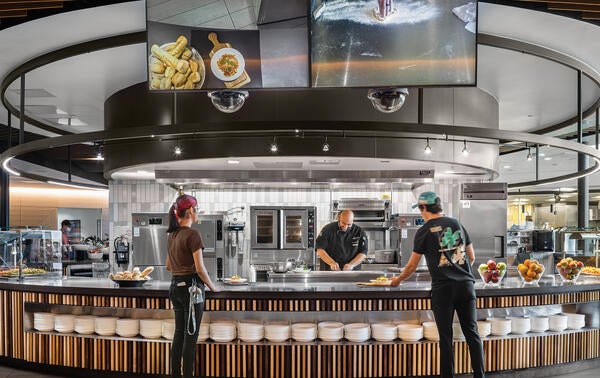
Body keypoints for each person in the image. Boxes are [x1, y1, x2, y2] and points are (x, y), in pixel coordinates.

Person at [390, 192, 485, 378]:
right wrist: (459, 270)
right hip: (466, 286)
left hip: (443, 290)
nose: (420, 213)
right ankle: (479, 376)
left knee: (446, 337)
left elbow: (411, 266)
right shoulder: (457, 224)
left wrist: (397, 280)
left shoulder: (424, 231)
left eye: (420, 209)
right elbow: (471, 257)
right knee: (472, 333)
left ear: (424, 208)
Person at [166, 193, 219, 378]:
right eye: (197, 209)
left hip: (175, 288)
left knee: (179, 334)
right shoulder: (193, 235)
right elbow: (200, 269)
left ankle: (176, 375)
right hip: (192, 290)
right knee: (191, 336)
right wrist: (213, 287)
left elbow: (168, 266)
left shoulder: (172, 235)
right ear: (190, 211)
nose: (198, 213)